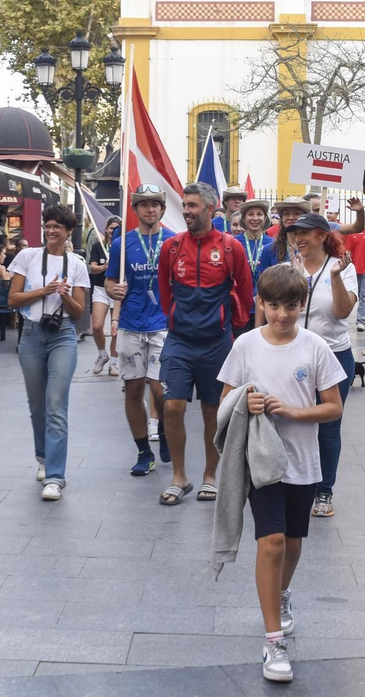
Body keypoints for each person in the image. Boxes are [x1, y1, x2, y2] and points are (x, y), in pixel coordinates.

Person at [216, 263, 346, 684]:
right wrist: (245, 402)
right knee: (270, 542)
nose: (282, 315)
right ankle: (273, 641)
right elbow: (224, 400)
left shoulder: (315, 347)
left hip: (303, 462)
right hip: (260, 461)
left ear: (302, 304)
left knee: (291, 543)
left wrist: (292, 410)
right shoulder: (245, 345)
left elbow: (334, 407)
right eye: (273, 306)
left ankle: (282, 594)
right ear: (261, 304)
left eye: (290, 306)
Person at [156, 182, 254, 506]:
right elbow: (164, 292)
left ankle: (210, 476)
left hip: (217, 342)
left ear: (211, 210)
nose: (186, 211)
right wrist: (176, 319)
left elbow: (245, 288)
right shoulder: (170, 248)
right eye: (184, 205)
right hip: (180, 340)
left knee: (213, 411)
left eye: (193, 206)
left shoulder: (230, 248)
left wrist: (232, 329)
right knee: (172, 405)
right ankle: (179, 477)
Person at [7, 204, 90, 501]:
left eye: (58, 227)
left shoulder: (77, 264)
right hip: (30, 335)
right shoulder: (27, 257)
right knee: (37, 404)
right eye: (48, 225)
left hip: (63, 336)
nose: (51, 231)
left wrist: (65, 295)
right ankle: (43, 457)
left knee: (56, 404)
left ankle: (55, 477)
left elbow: (79, 312)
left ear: (69, 232)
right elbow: (13, 299)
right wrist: (44, 291)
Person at [282, 213, 358, 519]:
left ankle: (324, 489)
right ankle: (292, 483)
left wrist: (337, 277)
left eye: (304, 233)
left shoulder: (343, 268)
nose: (298, 238)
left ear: (322, 236)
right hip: (294, 357)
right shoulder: (288, 270)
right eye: (294, 233)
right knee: (292, 423)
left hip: (334, 357)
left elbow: (341, 312)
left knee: (328, 427)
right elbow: (283, 313)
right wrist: (298, 279)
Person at [106, 183, 177, 477]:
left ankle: (161, 426)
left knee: (160, 389)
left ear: (162, 208)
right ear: (135, 209)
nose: (150, 209)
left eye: (155, 204)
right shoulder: (121, 244)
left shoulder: (174, 241)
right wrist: (116, 290)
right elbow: (109, 283)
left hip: (162, 324)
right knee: (134, 389)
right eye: (144, 204)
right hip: (132, 325)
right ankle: (143, 451)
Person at [87, 216, 122, 375]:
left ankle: (114, 361)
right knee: (97, 326)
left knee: (116, 327)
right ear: (105, 229)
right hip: (101, 288)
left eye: (117, 228)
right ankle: (102, 355)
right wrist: (104, 267)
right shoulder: (97, 246)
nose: (113, 231)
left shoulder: (122, 246)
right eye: (111, 228)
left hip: (117, 290)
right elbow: (92, 267)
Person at [236, 198, 275, 290]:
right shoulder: (234, 243)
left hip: (266, 296)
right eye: (250, 214)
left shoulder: (273, 244)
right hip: (241, 297)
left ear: (265, 218)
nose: (255, 218)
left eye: (259, 214)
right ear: (244, 219)